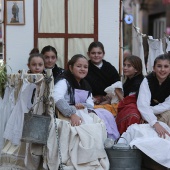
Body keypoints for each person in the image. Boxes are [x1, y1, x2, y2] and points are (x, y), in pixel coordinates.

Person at [53, 54, 119, 139]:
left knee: (106, 114)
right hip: (67, 115)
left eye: (85, 67)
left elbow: (90, 104)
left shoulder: (86, 85)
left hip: (83, 112)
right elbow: (57, 98)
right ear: (70, 68)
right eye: (79, 66)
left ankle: (110, 139)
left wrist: (83, 105)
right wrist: (71, 114)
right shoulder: (64, 81)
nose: (82, 69)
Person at [137, 53, 170, 138]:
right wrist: (154, 122)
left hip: (159, 110)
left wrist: (150, 111)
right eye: (159, 66)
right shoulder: (147, 81)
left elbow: (167, 105)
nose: (162, 69)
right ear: (154, 68)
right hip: (144, 111)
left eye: (166, 66)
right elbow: (143, 105)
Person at [85, 41, 121, 115]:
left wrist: (107, 99)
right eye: (93, 53)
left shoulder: (110, 68)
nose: (96, 55)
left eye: (99, 53)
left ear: (103, 54)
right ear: (88, 54)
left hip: (109, 101)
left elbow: (117, 87)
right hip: (90, 101)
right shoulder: (85, 67)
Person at [116, 55, 144, 134]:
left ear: (136, 69)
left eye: (129, 66)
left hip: (135, 109)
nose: (125, 68)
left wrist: (117, 92)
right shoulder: (129, 80)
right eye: (124, 65)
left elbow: (128, 101)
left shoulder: (138, 83)